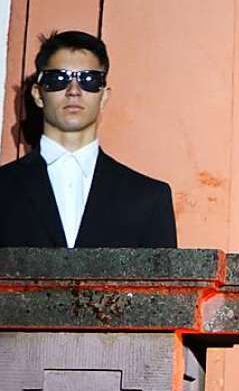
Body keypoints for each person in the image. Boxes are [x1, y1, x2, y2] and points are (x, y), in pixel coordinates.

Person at [0, 30, 177, 248]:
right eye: (58, 79)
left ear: (104, 96)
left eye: (89, 80)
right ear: (38, 93)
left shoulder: (149, 198)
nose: (73, 90)